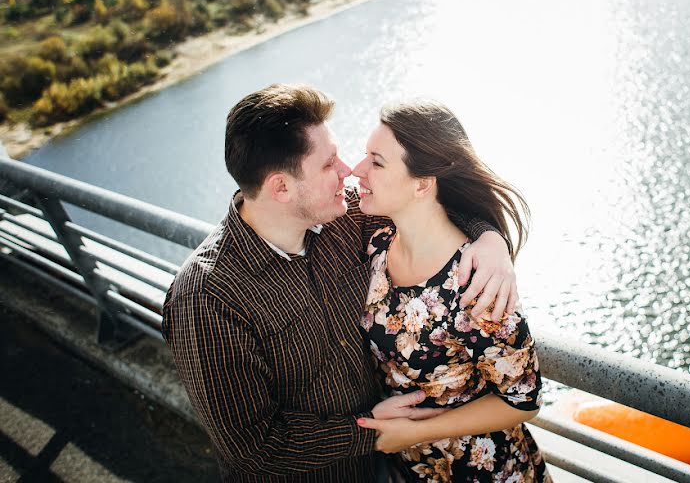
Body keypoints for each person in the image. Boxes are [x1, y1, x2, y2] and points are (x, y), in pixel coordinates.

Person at [162, 84, 519, 483]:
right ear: (281, 187)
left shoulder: (344, 214)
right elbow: (253, 449)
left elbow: (426, 203)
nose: (348, 171)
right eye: (329, 163)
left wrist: (490, 240)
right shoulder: (206, 298)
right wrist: (366, 432)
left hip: (391, 468)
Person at [353, 100, 550, 482]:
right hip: (407, 471)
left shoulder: (477, 283)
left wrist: (415, 433)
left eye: (376, 162)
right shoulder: (375, 243)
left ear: (423, 183)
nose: (357, 171)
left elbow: (523, 402)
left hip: (486, 472)